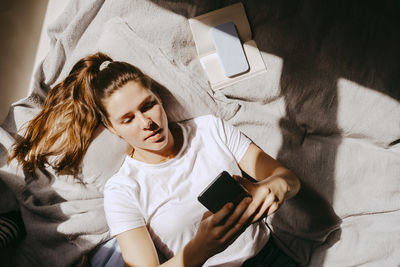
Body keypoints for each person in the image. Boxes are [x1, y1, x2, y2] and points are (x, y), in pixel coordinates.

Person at [9, 52, 301, 267]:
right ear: (113, 129)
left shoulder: (210, 130)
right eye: (128, 119)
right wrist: (201, 247)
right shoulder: (122, 190)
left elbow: (287, 178)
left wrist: (273, 187)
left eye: (148, 106)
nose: (146, 122)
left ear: (159, 99)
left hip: (270, 258)